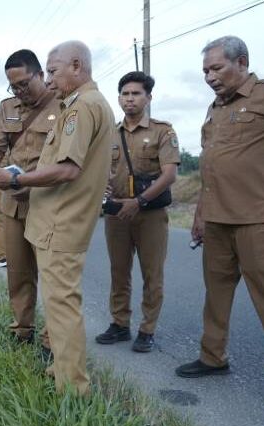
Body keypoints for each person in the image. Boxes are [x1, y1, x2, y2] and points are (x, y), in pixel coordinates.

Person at [0, 41, 114, 395]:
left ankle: (72, 389)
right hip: (57, 215)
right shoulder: (87, 104)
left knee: (61, 306)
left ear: (76, 65)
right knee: (55, 301)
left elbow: (67, 169)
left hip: (62, 219)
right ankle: (60, 366)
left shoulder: (80, 107)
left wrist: (16, 179)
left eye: (53, 71)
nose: (53, 79)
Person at [174, 36, 264, 404]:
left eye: (216, 68)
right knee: (217, 292)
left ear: (241, 61)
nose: (209, 76)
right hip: (217, 219)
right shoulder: (215, 108)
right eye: (205, 71)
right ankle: (213, 358)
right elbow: (211, 169)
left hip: (256, 218)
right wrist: (199, 215)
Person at [96, 71, 179, 353]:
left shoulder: (162, 131)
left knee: (151, 274)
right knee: (119, 271)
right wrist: (103, 189)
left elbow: (169, 176)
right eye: (125, 94)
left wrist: (140, 201)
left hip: (150, 214)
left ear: (148, 97)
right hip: (117, 213)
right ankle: (120, 324)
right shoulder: (110, 133)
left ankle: (147, 330)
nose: (129, 99)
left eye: (136, 94)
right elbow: (102, 171)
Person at [0, 49, 61, 354]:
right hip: (14, 203)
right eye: (12, 86)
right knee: (18, 272)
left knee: (54, 274)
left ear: (40, 75)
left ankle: (51, 339)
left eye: (23, 84)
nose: (18, 91)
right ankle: (22, 329)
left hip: (48, 202)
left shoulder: (64, 105)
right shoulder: (7, 108)